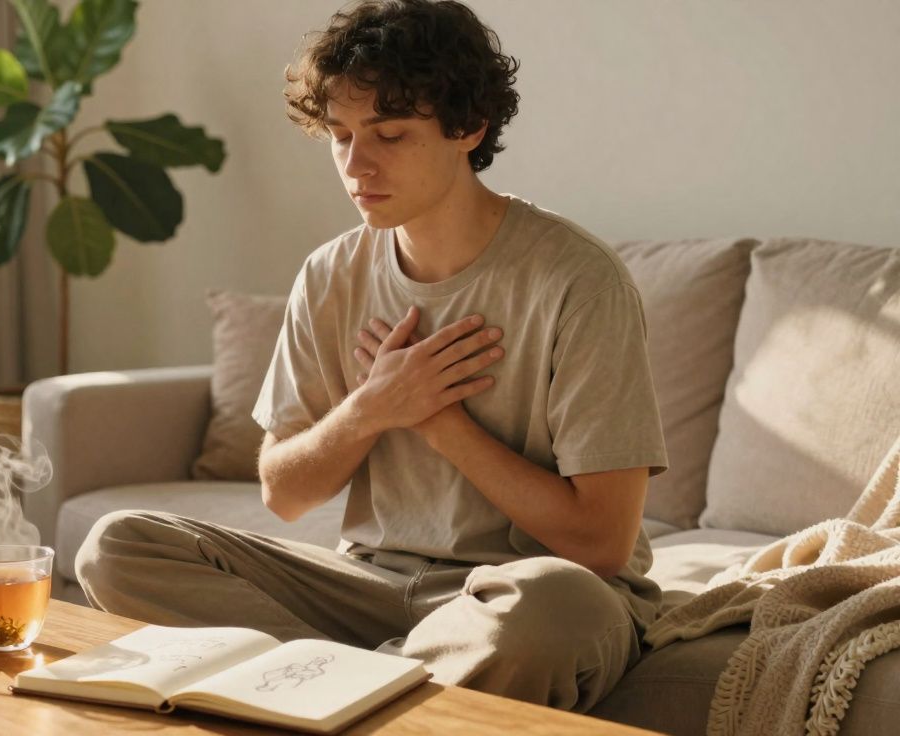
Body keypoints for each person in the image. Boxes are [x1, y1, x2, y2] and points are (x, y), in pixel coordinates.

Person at [75, 0, 669, 713]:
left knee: (549, 610)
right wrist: (370, 409)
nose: (357, 164)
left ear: (468, 129)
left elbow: (602, 545)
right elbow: (284, 492)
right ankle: (379, 688)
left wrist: (440, 424)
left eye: (389, 134)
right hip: (370, 586)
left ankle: (326, 688)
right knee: (117, 546)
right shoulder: (332, 274)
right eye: (341, 135)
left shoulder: (578, 281)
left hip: (519, 590)